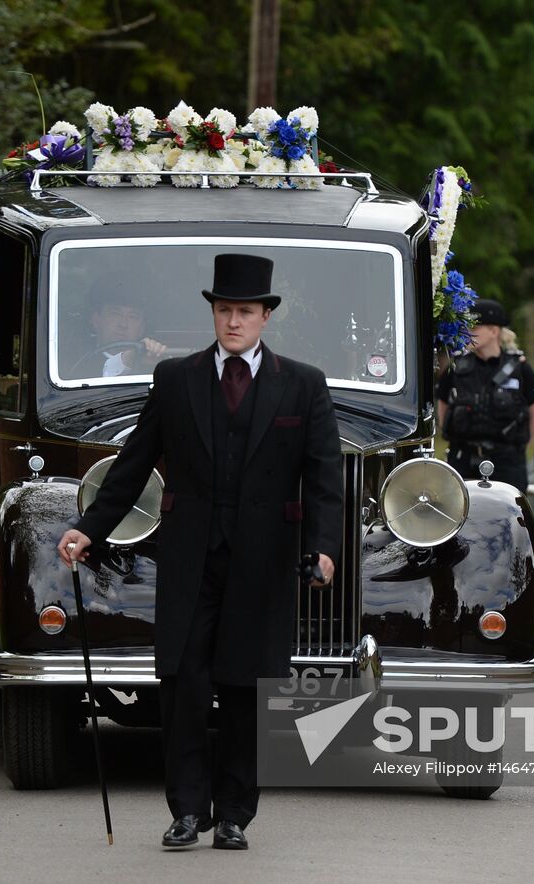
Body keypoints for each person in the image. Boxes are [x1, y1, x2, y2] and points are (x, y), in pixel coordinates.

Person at [55, 253, 343, 851]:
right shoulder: (177, 379)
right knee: (183, 682)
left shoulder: (304, 384)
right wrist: (91, 527)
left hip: (264, 562)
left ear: (265, 317)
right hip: (191, 557)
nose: (234, 322)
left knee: (246, 686)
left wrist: (322, 549)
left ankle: (235, 812)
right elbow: (134, 463)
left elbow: (322, 477)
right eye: (224, 311)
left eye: (245, 311)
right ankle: (186, 810)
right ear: (212, 314)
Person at [435, 298, 534, 489]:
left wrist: (515, 452)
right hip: (463, 460)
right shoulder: (456, 367)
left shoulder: (519, 368)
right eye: (466, 327)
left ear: (494, 331)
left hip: (507, 463)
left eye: (475, 328)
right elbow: (443, 409)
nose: (468, 333)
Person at [68, 293, 168, 377]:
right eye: (115, 314)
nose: (123, 324)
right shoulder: (75, 359)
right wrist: (129, 357)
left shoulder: (155, 360)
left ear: (142, 328)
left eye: (133, 316)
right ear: (96, 320)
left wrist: (156, 364)